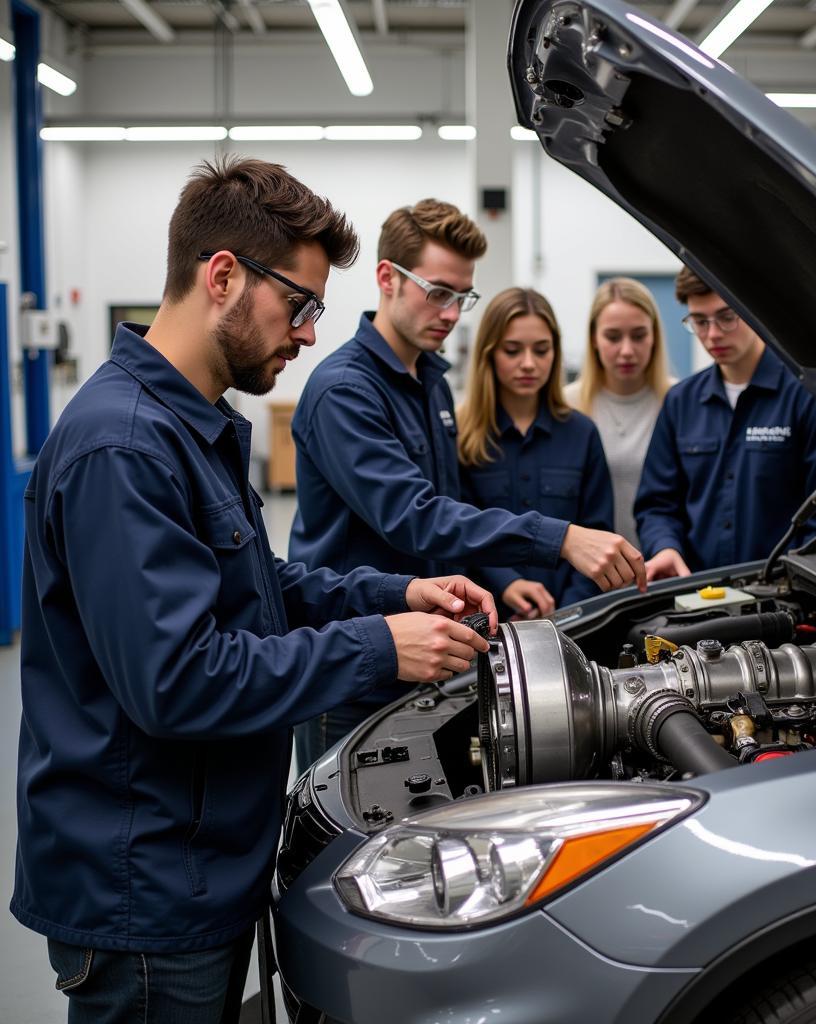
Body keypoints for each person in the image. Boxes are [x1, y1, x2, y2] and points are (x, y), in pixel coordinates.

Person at [11, 157, 497, 1024]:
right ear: (224, 276)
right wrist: (380, 647)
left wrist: (397, 595)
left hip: (201, 859)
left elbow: (257, 586)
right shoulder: (123, 448)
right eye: (299, 305)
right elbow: (179, 678)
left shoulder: (187, 425)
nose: (309, 333)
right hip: (148, 887)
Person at [288, 199, 646, 767]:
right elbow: (417, 515)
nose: (452, 313)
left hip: (426, 650)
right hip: (357, 664)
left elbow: (455, 503)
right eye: (437, 292)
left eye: (461, 297)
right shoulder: (345, 392)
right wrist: (561, 538)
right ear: (387, 278)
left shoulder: (429, 383)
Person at [636, 266, 816, 578]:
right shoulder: (680, 402)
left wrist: (791, 580)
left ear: (754, 310)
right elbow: (657, 504)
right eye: (700, 321)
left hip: (785, 598)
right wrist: (665, 547)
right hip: (692, 595)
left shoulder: (810, 399)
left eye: (727, 317)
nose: (712, 334)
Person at [458, 287, 614, 619]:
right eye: (513, 351)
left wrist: (566, 615)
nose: (528, 364)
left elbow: (598, 536)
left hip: (571, 624)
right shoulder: (461, 435)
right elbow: (455, 531)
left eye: (541, 350)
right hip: (483, 625)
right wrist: (506, 585)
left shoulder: (582, 433)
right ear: (489, 353)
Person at [564, 277, 674, 549]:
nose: (627, 350)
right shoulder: (568, 404)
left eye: (638, 336)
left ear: (654, 337)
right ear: (594, 339)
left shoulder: (678, 401)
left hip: (665, 564)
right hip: (589, 574)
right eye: (613, 337)